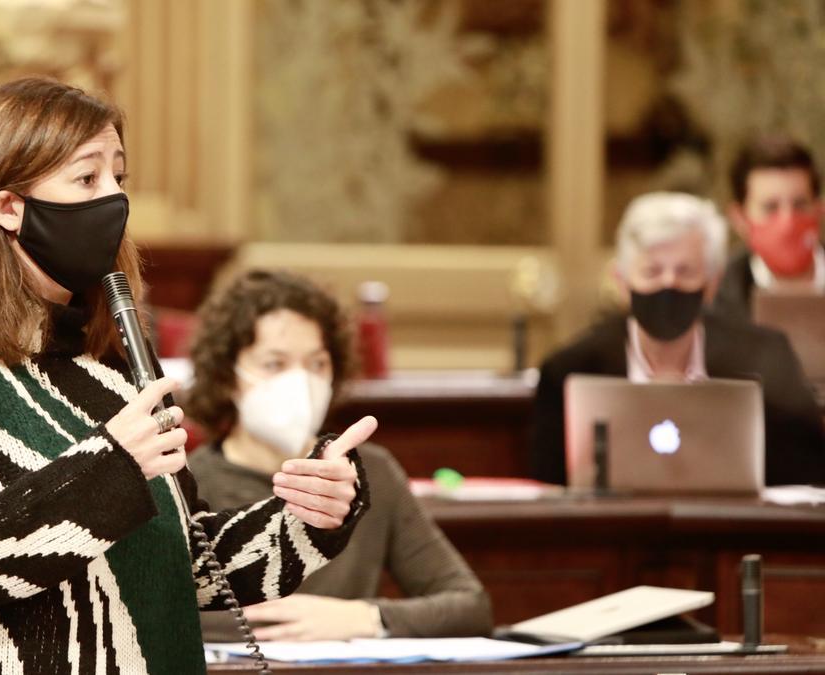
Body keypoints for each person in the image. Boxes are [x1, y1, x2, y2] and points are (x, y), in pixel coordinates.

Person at [0, 78, 373, 674]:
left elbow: (182, 564)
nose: (114, 200)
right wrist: (108, 472)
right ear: (8, 207)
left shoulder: (107, 361)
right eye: (87, 178)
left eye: (118, 179)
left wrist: (308, 518)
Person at [185, 270, 492, 641]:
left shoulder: (370, 472)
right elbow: (157, 617)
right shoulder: (186, 483)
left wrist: (363, 618)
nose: (300, 383)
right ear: (226, 375)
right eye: (274, 364)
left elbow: (469, 606)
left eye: (317, 364)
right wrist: (268, 623)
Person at [530, 192, 825, 486]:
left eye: (685, 272)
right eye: (652, 271)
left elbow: (805, 476)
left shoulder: (766, 360)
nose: (669, 283)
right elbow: (548, 492)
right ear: (622, 282)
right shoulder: (570, 371)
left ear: (712, 283)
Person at [714, 135, 824, 321]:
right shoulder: (718, 300)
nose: (788, 222)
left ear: (819, 210)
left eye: (799, 205)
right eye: (770, 208)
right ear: (739, 219)